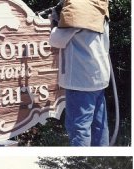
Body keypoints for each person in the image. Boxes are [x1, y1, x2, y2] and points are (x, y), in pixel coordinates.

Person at [49, 0, 110, 146]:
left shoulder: (77, 10)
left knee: (79, 129)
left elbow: (56, 40)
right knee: (99, 126)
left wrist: (55, 21)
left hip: (80, 81)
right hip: (99, 77)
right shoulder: (98, 7)